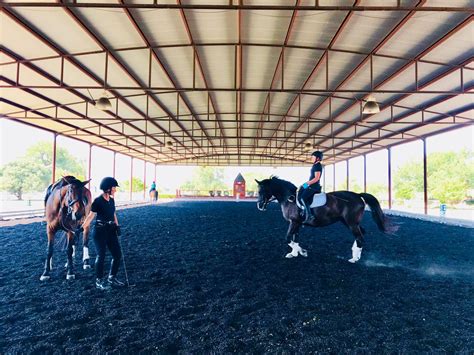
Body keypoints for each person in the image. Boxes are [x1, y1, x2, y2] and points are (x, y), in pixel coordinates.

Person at [81, 177, 124, 290]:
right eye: (114, 187)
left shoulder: (112, 200)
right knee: (101, 256)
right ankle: (99, 281)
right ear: (108, 188)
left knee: (117, 255)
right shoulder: (98, 201)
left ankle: (111, 277)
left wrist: (117, 225)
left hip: (111, 231)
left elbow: (113, 214)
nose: (115, 190)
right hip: (100, 232)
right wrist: (82, 228)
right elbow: (90, 216)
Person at [297, 150, 324, 223]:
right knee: (300, 193)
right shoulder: (315, 165)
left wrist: (306, 184)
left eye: (313, 157)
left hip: (314, 186)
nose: (311, 158)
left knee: (303, 197)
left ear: (318, 158)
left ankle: (309, 215)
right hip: (311, 185)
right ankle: (304, 209)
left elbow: (316, 178)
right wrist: (304, 185)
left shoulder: (318, 166)